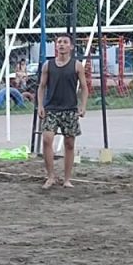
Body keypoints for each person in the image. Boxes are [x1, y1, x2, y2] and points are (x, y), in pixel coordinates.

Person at [37, 35, 88, 190]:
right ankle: (51, 176)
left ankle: (67, 179)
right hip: (51, 109)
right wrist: (40, 105)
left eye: (65, 42)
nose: (61, 45)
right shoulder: (48, 65)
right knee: (47, 139)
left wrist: (83, 106)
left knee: (69, 143)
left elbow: (84, 87)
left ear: (71, 46)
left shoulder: (77, 65)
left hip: (70, 109)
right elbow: (41, 86)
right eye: (59, 42)